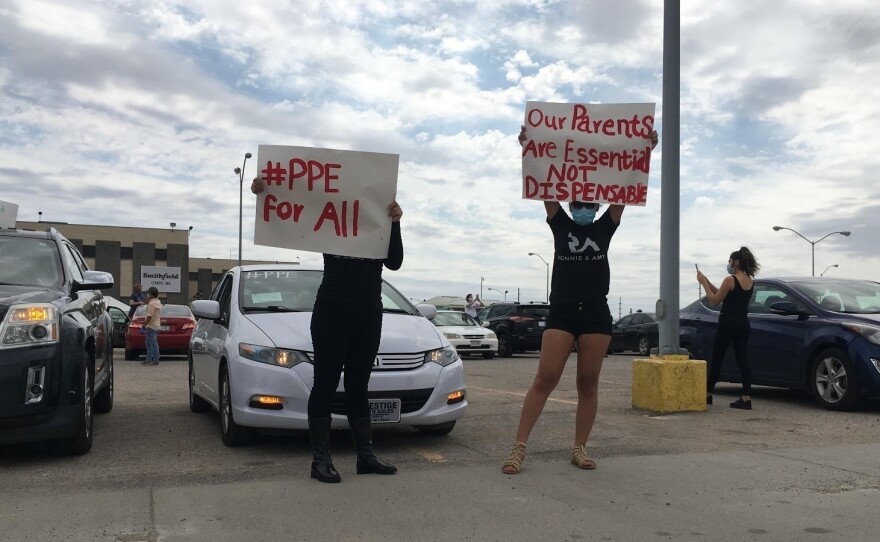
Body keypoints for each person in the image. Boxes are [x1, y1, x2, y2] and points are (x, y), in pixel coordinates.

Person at [502, 126, 658, 475]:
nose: (584, 207)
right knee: (545, 377)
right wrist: (529, 148)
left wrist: (644, 151)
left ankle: (579, 448)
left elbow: (627, 190)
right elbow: (543, 184)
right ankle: (518, 448)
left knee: (588, 382)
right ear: (571, 205)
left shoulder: (606, 226)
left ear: (597, 204)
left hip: (596, 314)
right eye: (578, 203)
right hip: (562, 311)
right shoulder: (560, 225)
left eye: (590, 203)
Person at [251, 177, 403, 483]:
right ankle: (320, 460)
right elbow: (292, 213)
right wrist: (266, 191)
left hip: (368, 313)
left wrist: (396, 223)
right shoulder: (331, 220)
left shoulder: (380, 223)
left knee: (360, 385)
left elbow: (395, 262)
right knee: (325, 383)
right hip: (332, 311)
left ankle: (366, 456)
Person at [697, 247, 760, 410]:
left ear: (736, 262)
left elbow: (715, 300)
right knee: (743, 361)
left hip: (727, 324)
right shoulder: (749, 281)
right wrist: (707, 280)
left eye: (729, 261)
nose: (728, 264)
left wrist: (704, 284)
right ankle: (746, 398)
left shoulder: (730, 279)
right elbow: (723, 293)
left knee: (717, 358)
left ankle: (707, 394)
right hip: (743, 324)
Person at [140, 287, 162, 366]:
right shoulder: (157, 301)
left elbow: (149, 316)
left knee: (153, 343)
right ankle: (149, 359)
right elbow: (149, 303)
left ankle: (155, 360)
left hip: (151, 326)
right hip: (156, 325)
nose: (147, 294)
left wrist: (143, 326)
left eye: (148, 293)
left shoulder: (152, 304)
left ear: (151, 294)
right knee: (148, 343)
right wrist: (143, 299)